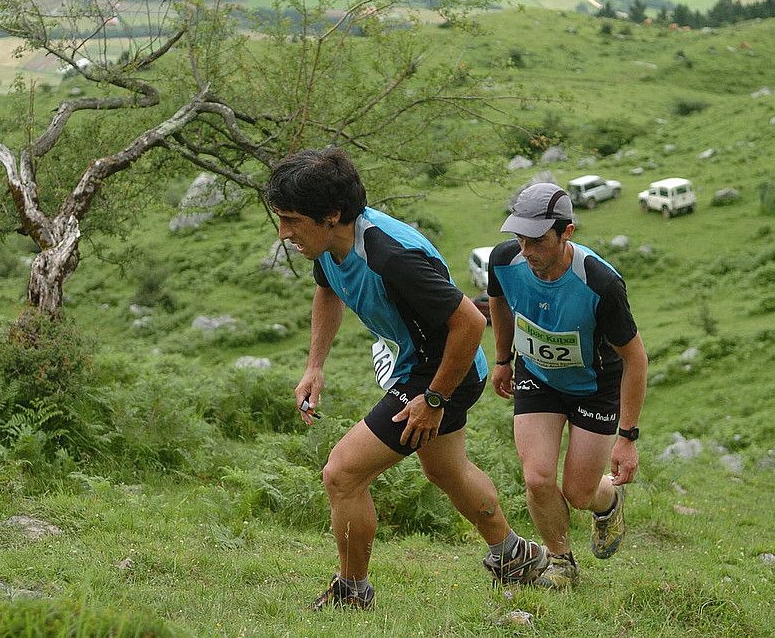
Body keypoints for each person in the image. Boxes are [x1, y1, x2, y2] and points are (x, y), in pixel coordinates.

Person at [265, 148, 549, 610]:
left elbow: (470, 324)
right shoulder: (329, 243)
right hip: (418, 364)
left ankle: (352, 592)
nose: (284, 233)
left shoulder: (391, 256)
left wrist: (434, 398)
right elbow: (327, 289)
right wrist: (314, 365)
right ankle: (514, 555)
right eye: (281, 219)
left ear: (332, 215)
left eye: (293, 220)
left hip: (442, 371)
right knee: (446, 470)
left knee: (342, 474)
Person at [487, 182, 648, 589]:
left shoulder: (601, 284)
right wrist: (503, 359)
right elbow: (499, 301)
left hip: (594, 387)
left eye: (538, 241)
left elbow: (636, 358)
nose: (527, 251)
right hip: (537, 378)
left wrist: (627, 438)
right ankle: (561, 561)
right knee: (538, 477)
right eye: (520, 239)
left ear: (567, 232)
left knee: (578, 493)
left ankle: (608, 499)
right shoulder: (504, 260)